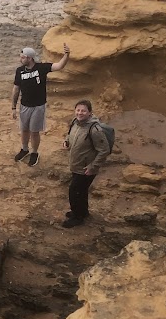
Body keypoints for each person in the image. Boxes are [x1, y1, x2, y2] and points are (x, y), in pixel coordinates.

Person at [11, 42, 70, 166]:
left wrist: (67, 54)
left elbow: (59, 66)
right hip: (24, 106)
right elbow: (16, 89)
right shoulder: (19, 71)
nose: (20, 59)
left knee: (34, 131)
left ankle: (35, 152)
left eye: (22, 57)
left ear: (29, 58)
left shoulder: (41, 68)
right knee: (24, 130)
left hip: (38, 106)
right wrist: (13, 107)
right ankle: (24, 149)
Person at [61, 99, 110, 228]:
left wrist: (93, 166)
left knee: (74, 191)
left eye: (83, 110)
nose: (80, 113)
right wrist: (67, 141)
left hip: (86, 168)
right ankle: (82, 212)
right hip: (76, 165)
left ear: (90, 113)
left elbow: (104, 150)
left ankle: (77, 217)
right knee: (81, 191)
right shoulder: (74, 122)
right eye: (78, 110)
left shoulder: (94, 129)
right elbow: (70, 135)